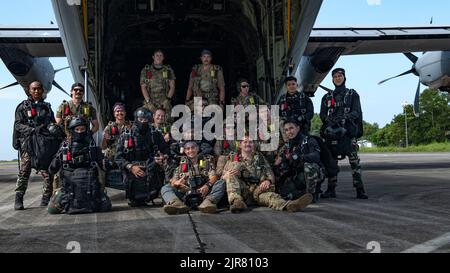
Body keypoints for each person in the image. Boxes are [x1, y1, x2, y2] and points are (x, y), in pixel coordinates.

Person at [222, 136, 313, 213]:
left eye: (251, 142)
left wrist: (268, 181)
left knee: (272, 197)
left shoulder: (260, 157)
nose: (248, 144)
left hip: (258, 191)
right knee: (231, 173)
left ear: (254, 145)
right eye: (245, 142)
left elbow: (270, 173)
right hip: (242, 192)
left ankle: (290, 205)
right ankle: (237, 202)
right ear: (240, 145)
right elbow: (223, 175)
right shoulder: (234, 158)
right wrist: (226, 176)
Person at [319, 68, 368, 199]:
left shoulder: (352, 94)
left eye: (340, 76)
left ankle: (360, 190)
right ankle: (331, 189)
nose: (337, 78)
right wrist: (329, 120)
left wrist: (343, 118)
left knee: (354, 162)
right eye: (335, 76)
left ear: (344, 77)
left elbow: (356, 111)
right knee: (331, 163)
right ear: (332, 79)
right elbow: (322, 114)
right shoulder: (327, 97)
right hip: (332, 134)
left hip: (347, 134)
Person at [47, 116, 111, 214]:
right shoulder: (65, 148)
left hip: (90, 187)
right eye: (77, 129)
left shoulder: (93, 148)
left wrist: (109, 161)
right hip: (68, 188)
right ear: (72, 131)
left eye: (82, 129)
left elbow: (106, 167)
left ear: (86, 130)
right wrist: (58, 156)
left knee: (106, 206)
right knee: (52, 209)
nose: (80, 132)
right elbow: (52, 169)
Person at [12, 81, 57, 210]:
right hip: (28, 144)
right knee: (24, 172)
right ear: (29, 91)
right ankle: (18, 199)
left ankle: (45, 199)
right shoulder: (22, 107)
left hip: (43, 145)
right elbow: (18, 125)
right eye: (34, 89)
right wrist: (31, 130)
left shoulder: (47, 108)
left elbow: (52, 124)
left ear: (42, 90)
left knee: (48, 172)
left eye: (39, 89)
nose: (37, 91)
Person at [115, 107, 169, 207]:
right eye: (141, 119)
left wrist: (162, 157)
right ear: (136, 119)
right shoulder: (127, 135)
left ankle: (163, 193)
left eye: (145, 120)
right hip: (133, 171)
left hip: (152, 168)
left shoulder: (155, 134)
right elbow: (118, 157)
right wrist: (130, 167)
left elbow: (166, 150)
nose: (143, 122)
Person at [161, 141, 226, 215]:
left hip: (204, 194)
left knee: (221, 183)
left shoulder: (206, 162)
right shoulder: (182, 165)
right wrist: (176, 183)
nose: (190, 150)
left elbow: (214, 177)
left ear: (198, 149)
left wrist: (207, 185)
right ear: (185, 151)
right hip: (186, 194)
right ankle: (176, 204)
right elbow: (174, 180)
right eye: (188, 149)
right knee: (166, 187)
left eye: (193, 148)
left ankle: (208, 203)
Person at [274, 119, 323, 203]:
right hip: (297, 176)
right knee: (284, 195)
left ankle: (312, 194)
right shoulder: (287, 145)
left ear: (298, 128)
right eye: (286, 130)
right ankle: (303, 194)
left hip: (312, 175)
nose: (289, 132)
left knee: (309, 166)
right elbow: (281, 160)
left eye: (291, 128)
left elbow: (316, 156)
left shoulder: (309, 140)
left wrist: (300, 157)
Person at [101, 102, 132, 190]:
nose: (119, 113)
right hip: (113, 156)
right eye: (117, 111)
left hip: (126, 156)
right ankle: (101, 191)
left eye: (121, 111)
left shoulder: (130, 126)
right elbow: (103, 147)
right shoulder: (110, 127)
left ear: (125, 113)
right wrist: (105, 139)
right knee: (101, 164)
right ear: (114, 114)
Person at [140, 49, 176, 115]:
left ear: (163, 57)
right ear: (153, 57)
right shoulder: (146, 70)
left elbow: (172, 87)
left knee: (167, 122)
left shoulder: (168, 70)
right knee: (144, 119)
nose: (159, 57)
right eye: (157, 55)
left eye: (161, 55)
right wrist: (148, 102)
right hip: (150, 102)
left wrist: (167, 100)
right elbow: (143, 87)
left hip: (164, 102)